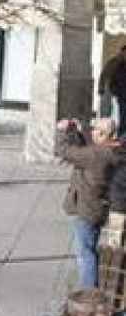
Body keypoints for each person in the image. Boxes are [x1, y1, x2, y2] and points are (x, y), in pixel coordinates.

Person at [56, 118, 116, 289]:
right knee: (89, 247)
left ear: (103, 135)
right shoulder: (109, 150)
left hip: (87, 208)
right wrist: (78, 132)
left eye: (95, 129)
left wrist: (61, 131)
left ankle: (89, 294)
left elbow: (65, 151)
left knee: (85, 253)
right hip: (98, 207)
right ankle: (91, 290)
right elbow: (87, 148)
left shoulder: (96, 155)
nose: (91, 132)